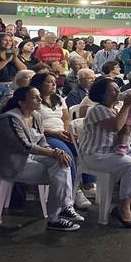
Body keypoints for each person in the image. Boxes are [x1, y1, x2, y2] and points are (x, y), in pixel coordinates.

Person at [0, 87, 85, 231]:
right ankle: (59, 212)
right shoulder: (10, 118)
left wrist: (55, 151)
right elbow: (24, 146)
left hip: (33, 158)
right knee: (59, 169)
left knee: (61, 163)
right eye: (35, 97)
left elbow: (42, 141)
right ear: (22, 102)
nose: (40, 100)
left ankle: (62, 209)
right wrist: (53, 153)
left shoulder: (36, 116)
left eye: (39, 96)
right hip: (13, 163)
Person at [79, 77, 131, 228]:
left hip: (118, 151)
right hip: (97, 154)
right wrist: (127, 106)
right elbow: (116, 126)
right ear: (102, 95)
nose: (118, 92)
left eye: (118, 89)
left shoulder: (116, 109)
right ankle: (124, 207)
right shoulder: (96, 110)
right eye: (113, 90)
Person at [29, 72, 91, 209]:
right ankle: (76, 192)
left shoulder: (58, 98)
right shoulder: (34, 100)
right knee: (67, 153)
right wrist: (55, 133)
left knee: (84, 148)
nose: (53, 84)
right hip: (46, 135)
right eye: (49, 81)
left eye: (54, 81)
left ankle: (88, 183)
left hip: (62, 132)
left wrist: (68, 131)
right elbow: (32, 126)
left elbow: (66, 118)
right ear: (40, 84)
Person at [0, 33, 26, 112]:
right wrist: (6, 61)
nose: (8, 42)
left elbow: (24, 69)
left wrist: (14, 57)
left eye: (10, 41)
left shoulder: (11, 56)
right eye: (5, 40)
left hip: (11, 86)